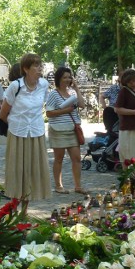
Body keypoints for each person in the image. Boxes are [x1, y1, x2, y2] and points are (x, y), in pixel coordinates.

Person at [0, 53, 51, 204]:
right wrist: (16, 124)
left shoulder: (44, 85)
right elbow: (3, 114)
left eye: (40, 65)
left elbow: (43, 106)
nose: (40, 68)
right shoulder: (16, 86)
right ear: (26, 69)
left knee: (33, 172)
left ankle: (25, 212)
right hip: (17, 134)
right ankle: (14, 210)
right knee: (18, 172)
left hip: (36, 132)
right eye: (36, 65)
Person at [46, 66, 87, 194]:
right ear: (59, 78)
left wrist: (77, 88)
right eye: (65, 77)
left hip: (72, 129)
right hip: (58, 130)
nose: (67, 79)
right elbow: (49, 113)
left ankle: (78, 186)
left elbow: (82, 105)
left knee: (77, 158)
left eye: (69, 77)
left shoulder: (73, 93)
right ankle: (58, 186)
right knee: (59, 158)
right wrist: (66, 110)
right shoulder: (53, 93)